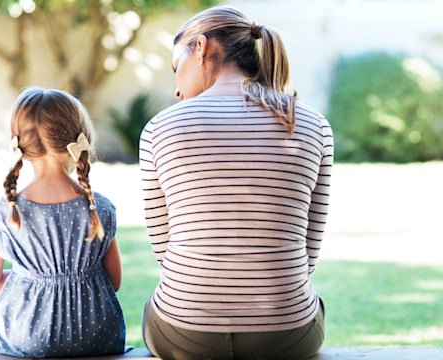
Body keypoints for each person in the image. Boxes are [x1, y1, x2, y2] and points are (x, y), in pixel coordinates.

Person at [139, 5, 333, 360]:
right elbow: (308, 250)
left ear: (200, 48)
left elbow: (165, 251)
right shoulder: (312, 124)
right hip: (287, 335)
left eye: (175, 67)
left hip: (184, 334)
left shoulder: (160, 128)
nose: (177, 89)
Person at [0, 87, 126, 358]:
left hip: (28, 338)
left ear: (19, 145)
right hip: (97, 335)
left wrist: (31, 277)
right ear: (79, 139)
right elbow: (114, 281)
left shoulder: (7, 211)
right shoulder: (100, 208)